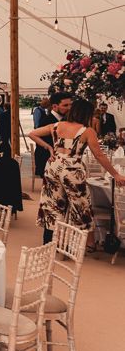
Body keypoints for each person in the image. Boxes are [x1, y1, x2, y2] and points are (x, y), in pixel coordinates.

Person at [29, 98, 125, 244]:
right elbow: (99, 155)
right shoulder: (87, 131)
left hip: (53, 166)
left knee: (52, 204)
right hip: (72, 169)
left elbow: (32, 133)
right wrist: (115, 174)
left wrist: (49, 148)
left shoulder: (56, 125)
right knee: (81, 205)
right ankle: (88, 243)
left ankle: (49, 243)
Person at [34, 92, 73, 177]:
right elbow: (38, 142)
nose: (69, 108)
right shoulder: (46, 121)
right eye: (65, 105)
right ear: (55, 106)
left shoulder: (66, 120)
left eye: (70, 105)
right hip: (47, 161)